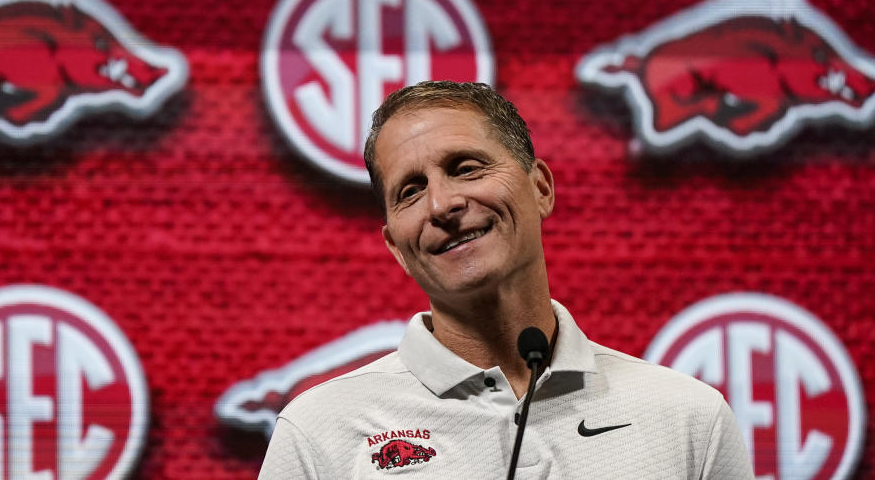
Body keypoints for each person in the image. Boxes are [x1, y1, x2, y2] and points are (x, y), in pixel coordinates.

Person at [258, 81, 754, 479]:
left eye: (466, 168)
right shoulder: (319, 431)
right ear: (396, 248)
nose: (443, 205)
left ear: (540, 187)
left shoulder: (688, 417)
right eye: (411, 190)